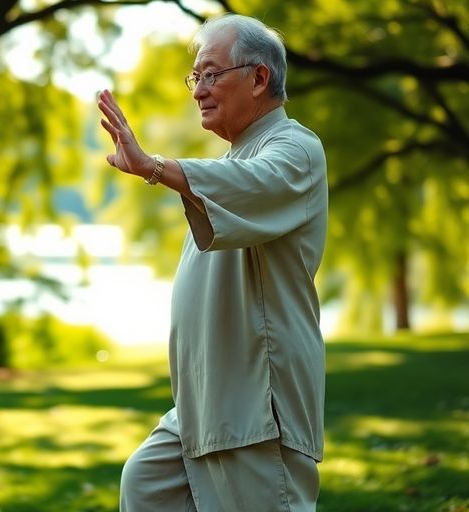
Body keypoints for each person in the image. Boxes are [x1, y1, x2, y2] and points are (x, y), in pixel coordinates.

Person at [97, 13, 328, 512]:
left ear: (259, 77)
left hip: (257, 398)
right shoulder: (230, 162)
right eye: (195, 77)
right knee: (147, 485)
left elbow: (254, 186)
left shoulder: (295, 149)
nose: (198, 89)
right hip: (203, 402)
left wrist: (156, 167)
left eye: (212, 74)